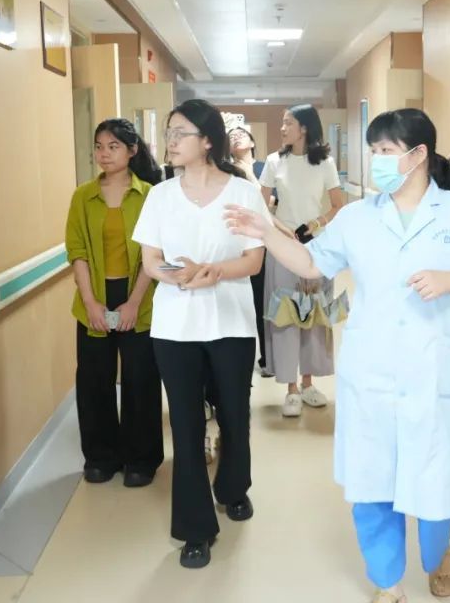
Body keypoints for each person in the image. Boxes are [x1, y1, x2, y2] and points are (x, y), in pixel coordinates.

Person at [226, 109, 450, 603]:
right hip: (372, 372)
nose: (377, 160)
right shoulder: (357, 217)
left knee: (436, 482)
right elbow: (311, 262)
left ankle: (439, 552)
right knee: (373, 483)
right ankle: (387, 581)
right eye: (374, 151)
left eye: (386, 151)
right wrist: (266, 233)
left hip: (432, 372)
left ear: (418, 154)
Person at [133, 99, 269, 570]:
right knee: (186, 425)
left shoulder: (243, 192)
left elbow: (254, 260)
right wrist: (177, 275)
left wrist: (213, 271)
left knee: (234, 412)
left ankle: (233, 487)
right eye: (168, 133)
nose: (170, 142)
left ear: (208, 141)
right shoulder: (160, 196)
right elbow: (150, 261)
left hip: (231, 321)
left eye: (180, 133)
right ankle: (195, 529)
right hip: (175, 326)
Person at [64, 118, 164, 488]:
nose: (104, 154)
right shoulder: (82, 196)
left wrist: (134, 302)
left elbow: (156, 251)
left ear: (132, 150)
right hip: (94, 294)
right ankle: (100, 456)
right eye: (99, 146)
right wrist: (90, 301)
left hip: (140, 295)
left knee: (140, 379)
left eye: (113, 146)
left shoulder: (150, 195)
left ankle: (141, 459)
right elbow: (77, 250)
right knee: (94, 379)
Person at [258, 104, 344, 417]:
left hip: (317, 248)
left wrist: (315, 224)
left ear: (304, 128)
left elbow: (337, 205)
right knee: (285, 315)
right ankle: (291, 388)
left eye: (288, 123)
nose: (282, 128)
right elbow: (260, 204)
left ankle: (308, 383)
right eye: (283, 123)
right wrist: (284, 231)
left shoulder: (325, 163)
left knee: (313, 313)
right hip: (283, 247)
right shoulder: (274, 161)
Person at [228, 125, 273, 379]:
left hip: (263, 240)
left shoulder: (264, 167)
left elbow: (271, 201)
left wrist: (250, 175)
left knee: (261, 300)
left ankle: (266, 357)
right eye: (231, 136)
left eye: (241, 134)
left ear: (253, 142)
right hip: (236, 244)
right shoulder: (228, 170)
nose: (236, 138)